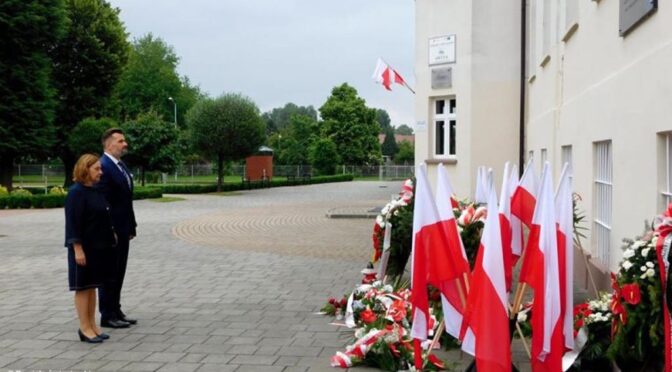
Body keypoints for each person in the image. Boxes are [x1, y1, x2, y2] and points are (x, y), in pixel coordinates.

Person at [65, 154, 116, 343]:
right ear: (85, 169)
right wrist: (77, 249)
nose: (100, 172)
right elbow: (73, 224)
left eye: (100, 169)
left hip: (98, 248)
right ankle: (84, 328)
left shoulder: (95, 191)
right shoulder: (76, 193)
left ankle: (93, 325)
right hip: (83, 249)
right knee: (82, 287)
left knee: (92, 286)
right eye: (97, 169)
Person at [97, 128, 138, 328]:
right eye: (121, 141)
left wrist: (131, 226)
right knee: (109, 272)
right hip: (111, 231)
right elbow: (103, 202)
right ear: (109, 144)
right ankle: (107, 314)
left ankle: (116, 309)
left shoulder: (120, 165)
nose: (125, 144)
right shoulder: (103, 166)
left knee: (119, 270)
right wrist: (110, 228)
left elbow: (125, 200)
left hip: (123, 229)